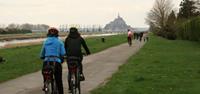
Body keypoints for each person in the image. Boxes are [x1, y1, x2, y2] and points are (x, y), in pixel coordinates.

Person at [40, 27, 65, 94]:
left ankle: (46, 84)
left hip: (46, 62)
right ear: (57, 34)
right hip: (56, 62)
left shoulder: (45, 42)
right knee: (59, 80)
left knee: (46, 74)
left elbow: (42, 54)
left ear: (48, 34)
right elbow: (63, 53)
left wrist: (43, 57)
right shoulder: (60, 42)